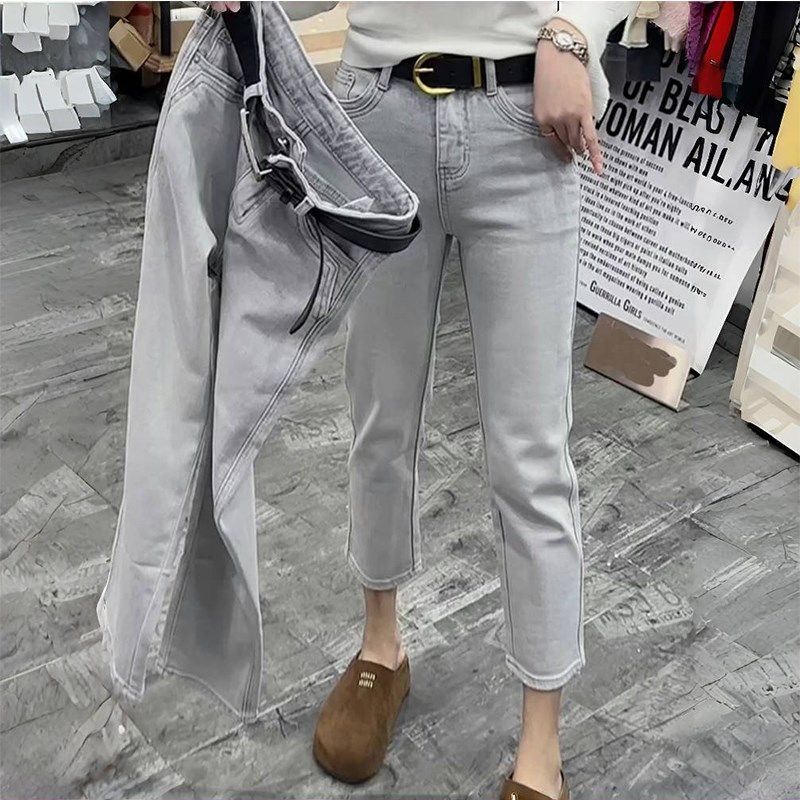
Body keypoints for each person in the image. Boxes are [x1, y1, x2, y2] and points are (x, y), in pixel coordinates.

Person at [212, 3, 631, 799]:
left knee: (532, 453)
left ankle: (541, 743)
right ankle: (382, 648)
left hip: (527, 121)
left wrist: (573, 31)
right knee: (380, 414)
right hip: (376, 116)